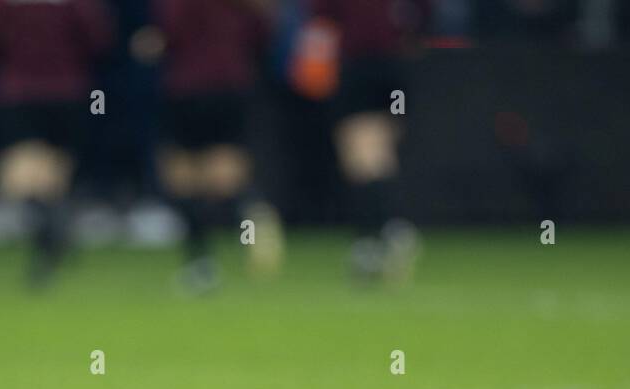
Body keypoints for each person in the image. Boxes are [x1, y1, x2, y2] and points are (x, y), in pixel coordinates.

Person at [0, 0, 113, 282]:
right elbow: (99, 39)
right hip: (70, 91)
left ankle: (48, 235)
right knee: (57, 172)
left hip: (17, 92)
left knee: (23, 175)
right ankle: (57, 229)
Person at [153, 0, 280, 291]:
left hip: (187, 87)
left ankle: (200, 263)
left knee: (184, 179)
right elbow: (263, 36)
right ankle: (252, 214)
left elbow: (169, 34)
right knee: (226, 175)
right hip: (233, 85)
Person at [311, 0, 431, 281]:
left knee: (360, 159)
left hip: (359, 67)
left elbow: (321, 18)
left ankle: (379, 236)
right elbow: (423, 14)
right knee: (382, 154)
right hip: (395, 71)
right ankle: (386, 233)